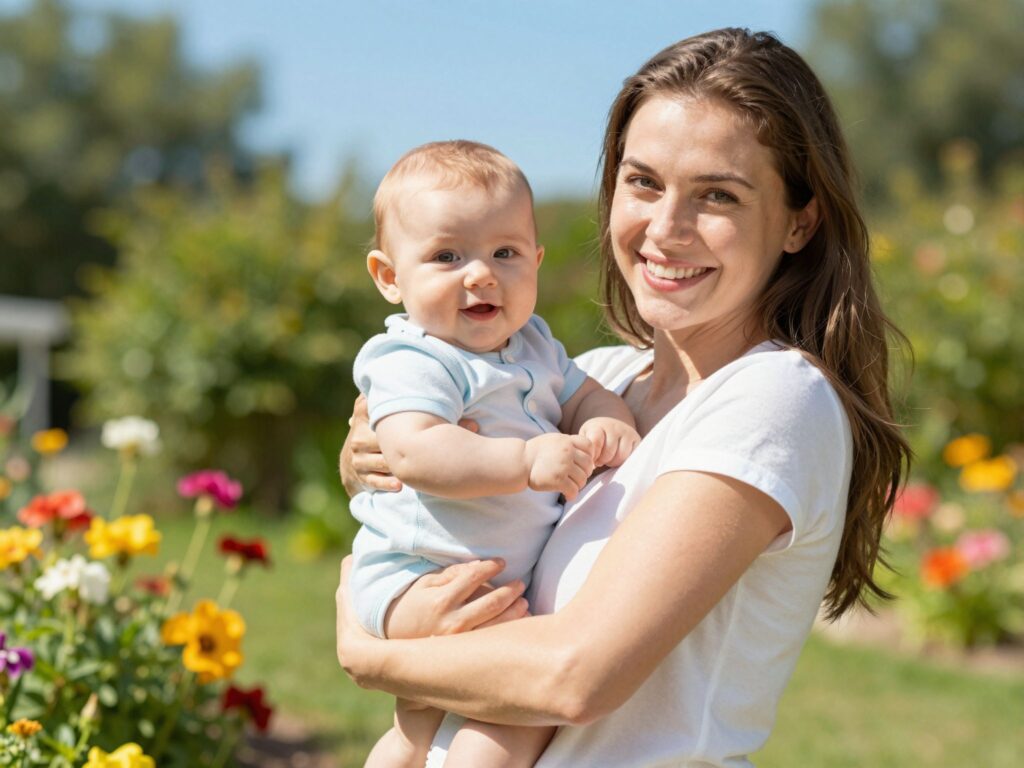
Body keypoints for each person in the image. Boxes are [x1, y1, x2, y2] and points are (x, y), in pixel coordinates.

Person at [337, 28, 910, 767]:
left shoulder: (773, 400)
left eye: (717, 195)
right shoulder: (593, 377)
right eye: (643, 183)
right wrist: (372, 458)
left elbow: (574, 677)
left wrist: (371, 654)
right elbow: (428, 456)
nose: (665, 229)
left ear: (800, 221)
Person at [349, 139, 641, 767]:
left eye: (504, 253)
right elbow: (416, 452)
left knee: (423, 729)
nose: (480, 274)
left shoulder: (536, 344)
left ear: (535, 261)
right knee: (513, 705)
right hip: (415, 577)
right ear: (390, 277)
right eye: (446, 256)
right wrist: (525, 462)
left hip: (481, 582)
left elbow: (584, 394)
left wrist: (607, 420)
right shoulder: (414, 357)